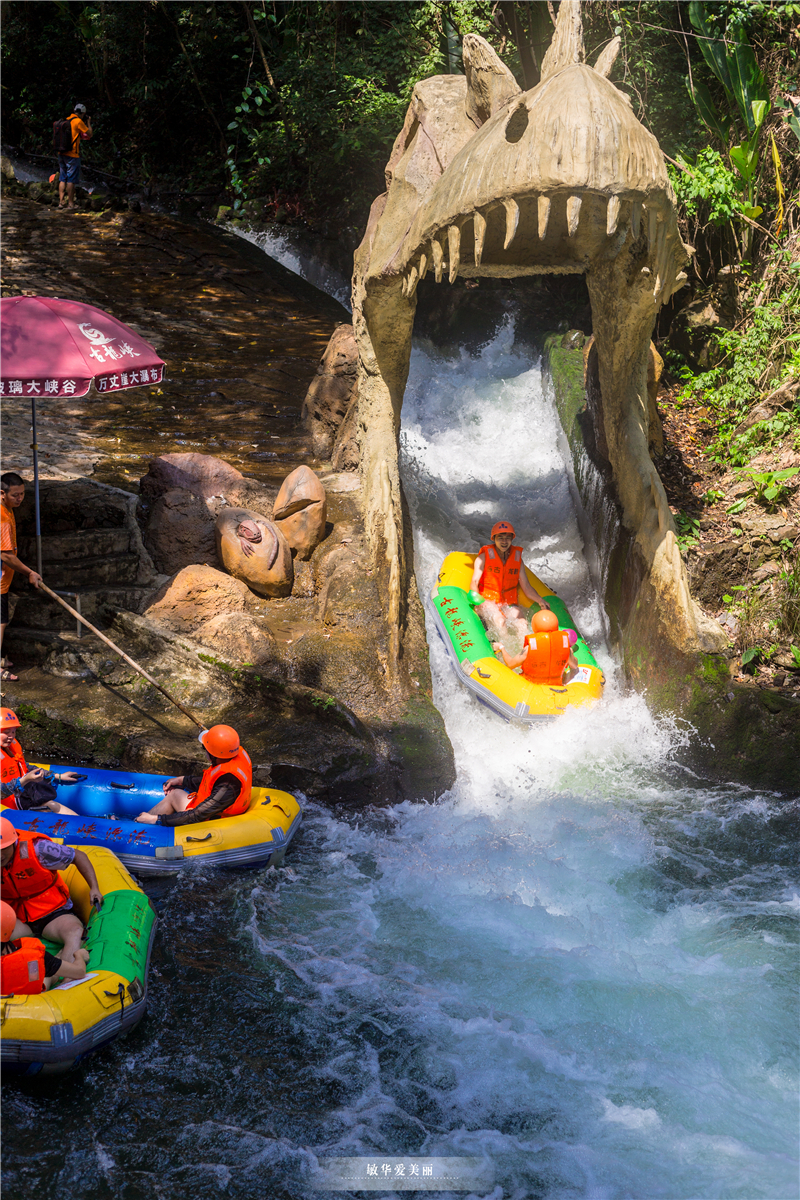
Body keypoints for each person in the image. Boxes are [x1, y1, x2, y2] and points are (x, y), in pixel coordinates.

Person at [0, 816, 103, 964]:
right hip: (16, 917)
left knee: (75, 932)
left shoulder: (39, 848)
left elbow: (78, 856)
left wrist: (94, 888)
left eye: (3, 849)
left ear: (13, 842)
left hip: (51, 912)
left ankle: (67, 980)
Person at [134, 725, 252, 827]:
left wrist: (157, 819)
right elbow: (212, 782)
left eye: (204, 748)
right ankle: (137, 822)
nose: (204, 750)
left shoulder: (228, 785)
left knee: (173, 796)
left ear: (215, 754)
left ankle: (135, 825)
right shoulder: (232, 756)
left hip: (218, 821)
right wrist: (183, 780)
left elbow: (198, 815)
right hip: (218, 811)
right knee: (175, 794)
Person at [468, 521, 551, 649]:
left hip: (508, 602)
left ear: (512, 539)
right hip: (488, 601)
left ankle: (526, 653)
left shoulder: (517, 559)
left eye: (508, 538)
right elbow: (474, 581)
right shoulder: (483, 558)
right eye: (500, 538)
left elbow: (527, 587)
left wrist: (540, 600)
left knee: (522, 623)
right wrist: (474, 594)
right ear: (494, 539)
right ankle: (507, 654)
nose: (504, 541)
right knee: (500, 622)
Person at [1, 472, 43, 681]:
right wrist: (30, 572)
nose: (20, 499)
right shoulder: (2, 518)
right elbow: (6, 555)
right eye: (15, 495)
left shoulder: (7, 509)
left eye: (22, 494)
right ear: (2, 493)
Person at [0, 900, 89, 995]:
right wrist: (79, 955)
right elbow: (80, 972)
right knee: (44, 973)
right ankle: (57, 961)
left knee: (44, 969)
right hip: (33, 1000)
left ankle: (55, 963)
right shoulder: (35, 956)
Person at [1, 708, 80, 815]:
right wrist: (25, 780)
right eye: (6, 732)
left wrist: (58, 776)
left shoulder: (10, 747)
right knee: (49, 807)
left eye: (13, 731)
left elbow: (24, 767)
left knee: (52, 805)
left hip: (22, 797)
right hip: (7, 808)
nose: (11, 736)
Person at [492, 609, 579, 685]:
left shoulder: (529, 649)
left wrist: (501, 647)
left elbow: (510, 664)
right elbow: (574, 666)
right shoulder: (566, 648)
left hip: (531, 685)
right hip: (556, 684)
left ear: (535, 627)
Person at [57, 103, 92, 211]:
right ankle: (71, 204)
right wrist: (89, 122)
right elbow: (89, 133)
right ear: (83, 113)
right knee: (71, 179)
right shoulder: (78, 121)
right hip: (72, 155)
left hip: (61, 153)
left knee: (63, 178)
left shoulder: (66, 120)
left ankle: (61, 202)